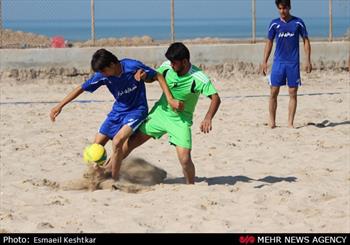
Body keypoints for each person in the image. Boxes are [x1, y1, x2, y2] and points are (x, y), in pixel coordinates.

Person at [49, 49, 182, 178]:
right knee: (94, 147)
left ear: (112, 64)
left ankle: (114, 179)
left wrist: (161, 90)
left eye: (103, 71)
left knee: (118, 141)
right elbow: (81, 88)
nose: (102, 74)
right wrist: (60, 105)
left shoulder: (132, 66)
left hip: (137, 111)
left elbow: (157, 76)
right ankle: (96, 174)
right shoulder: (103, 76)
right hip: (117, 112)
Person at [107, 42, 221, 184]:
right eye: (171, 62)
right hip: (160, 113)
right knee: (131, 142)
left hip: (180, 120)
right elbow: (153, 77)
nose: (171, 65)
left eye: (174, 63)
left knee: (185, 159)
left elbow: (215, 98)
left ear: (184, 62)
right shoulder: (167, 67)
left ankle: (191, 186)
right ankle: (107, 170)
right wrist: (144, 77)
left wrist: (208, 117)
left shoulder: (198, 77)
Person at [262, 0, 312, 128]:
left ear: (289, 8)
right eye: (279, 8)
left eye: (284, 8)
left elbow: (306, 41)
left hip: (293, 63)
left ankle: (290, 123)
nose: (282, 11)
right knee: (273, 92)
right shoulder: (274, 24)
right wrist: (264, 61)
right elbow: (269, 42)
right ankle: (272, 122)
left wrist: (308, 60)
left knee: (293, 92)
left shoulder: (298, 23)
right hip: (278, 63)